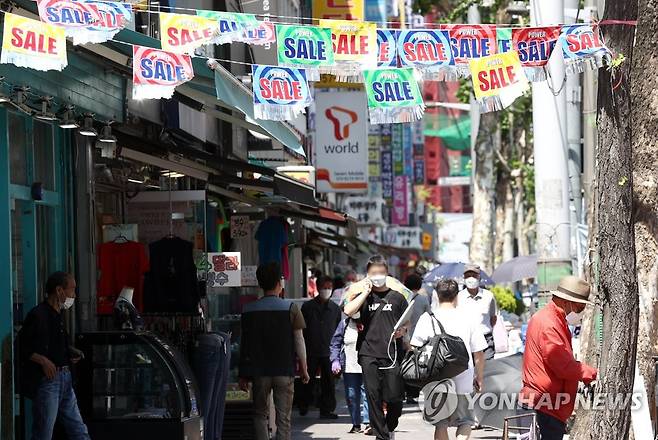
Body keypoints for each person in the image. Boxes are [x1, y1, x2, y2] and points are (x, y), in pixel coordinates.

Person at [520, 276, 598, 440]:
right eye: (580, 307)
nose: (581, 312)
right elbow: (562, 365)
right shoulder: (549, 323)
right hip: (546, 402)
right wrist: (591, 373)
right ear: (567, 302)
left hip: (547, 401)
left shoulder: (550, 319)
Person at [239, 262, 311, 440]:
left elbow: (245, 343)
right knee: (284, 419)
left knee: (259, 414)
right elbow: (299, 340)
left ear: (260, 284)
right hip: (284, 371)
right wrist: (304, 367)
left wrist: (243, 374)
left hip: (259, 372)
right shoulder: (291, 308)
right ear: (280, 283)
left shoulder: (248, 310)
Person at [411, 279, 487, 440]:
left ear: (437, 296)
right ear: (457, 296)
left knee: (440, 423)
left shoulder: (428, 317)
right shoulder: (468, 317)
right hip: (464, 376)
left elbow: (415, 347)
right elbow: (478, 352)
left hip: (436, 378)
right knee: (465, 421)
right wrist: (479, 377)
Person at [18, 272, 91, 440]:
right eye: (71, 290)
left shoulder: (58, 315)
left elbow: (54, 344)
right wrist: (43, 361)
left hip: (65, 378)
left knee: (79, 430)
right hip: (49, 381)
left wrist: (71, 352)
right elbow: (22, 346)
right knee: (44, 433)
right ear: (59, 291)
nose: (74, 295)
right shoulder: (38, 315)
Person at [344, 255, 409, 440]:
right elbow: (348, 311)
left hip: (392, 353)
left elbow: (407, 322)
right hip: (368, 353)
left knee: (395, 399)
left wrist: (403, 331)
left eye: (381, 272)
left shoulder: (397, 297)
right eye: (374, 273)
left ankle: (388, 426)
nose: (378, 275)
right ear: (368, 275)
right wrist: (365, 293)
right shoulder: (363, 297)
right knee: (373, 396)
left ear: (387, 273)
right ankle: (382, 437)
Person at [299, 276, 342, 419]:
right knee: (307, 379)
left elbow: (338, 329)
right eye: (324, 287)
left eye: (329, 287)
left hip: (329, 351)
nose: (327, 290)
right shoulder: (307, 307)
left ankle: (327, 409)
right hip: (310, 349)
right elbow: (302, 329)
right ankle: (303, 404)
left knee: (329, 382)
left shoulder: (335, 309)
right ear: (317, 288)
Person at [330, 315, 371, 434]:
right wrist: (335, 360)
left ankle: (368, 423)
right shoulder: (344, 324)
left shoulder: (369, 321)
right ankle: (356, 424)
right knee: (352, 396)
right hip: (349, 366)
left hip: (367, 365)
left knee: (368, 394)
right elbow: (335, 343)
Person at [457, 264, 497, 360]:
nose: (471, 278)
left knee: (488, 371)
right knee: (469, 373)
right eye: (468, 276)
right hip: (466, 341)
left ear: (479, 277)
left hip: (486, 340)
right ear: (464, 278)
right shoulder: (458, 297)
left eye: (474, 275)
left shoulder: (489, 296)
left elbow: (493, 318)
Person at [402, 273, 431, 404]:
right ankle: (412, 394)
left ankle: (402, 391)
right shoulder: (423, 300)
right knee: (415, 366)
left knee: (402, 363)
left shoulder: (402, 298)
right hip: (419, 338)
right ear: (419, 286)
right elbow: (430, 316)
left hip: (402, 335)